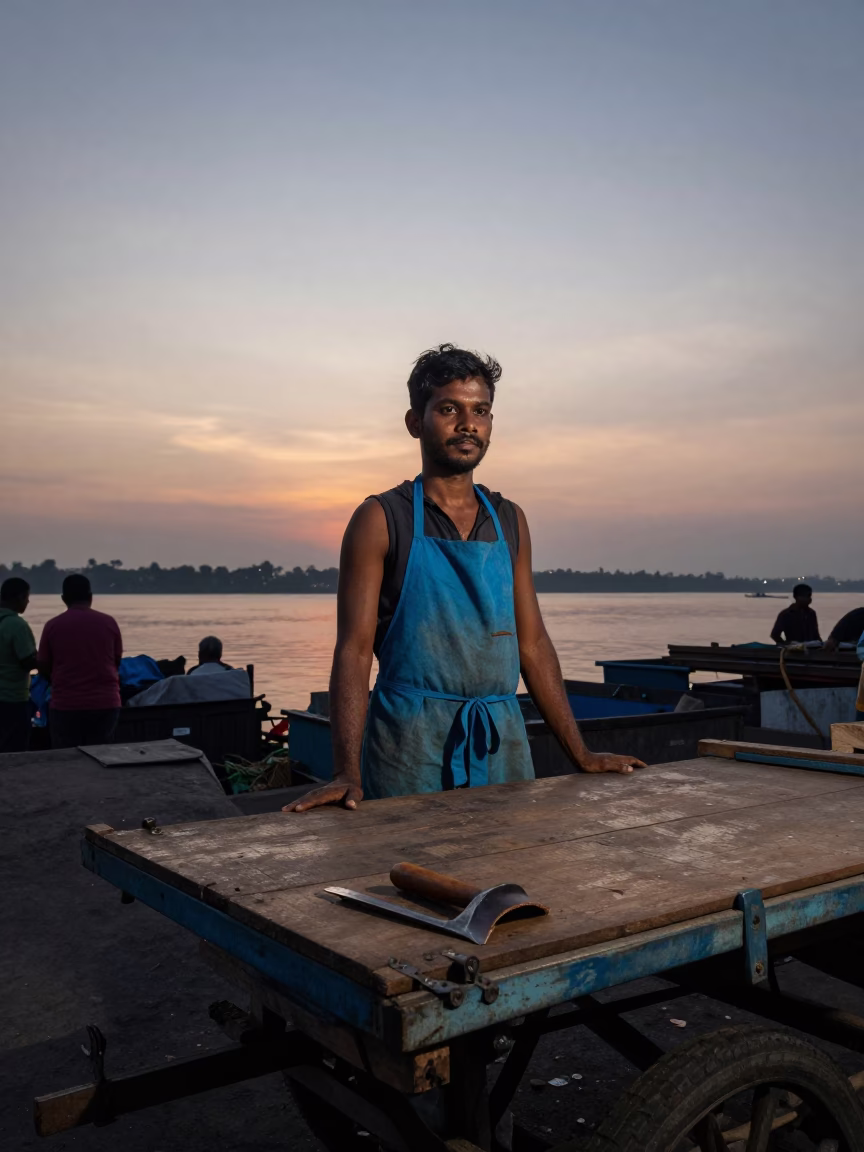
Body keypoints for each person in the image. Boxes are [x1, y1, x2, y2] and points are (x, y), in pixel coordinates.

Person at [286, 343, 645, 814]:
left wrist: (580, 753)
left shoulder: (509, 520)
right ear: (416, 422)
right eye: (449, 409)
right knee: (405, 875)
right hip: (408, 749)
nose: (467, 424)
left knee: (509, 874)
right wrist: (346, 773)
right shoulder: (381, 518)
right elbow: (353, 651)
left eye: (481, 411)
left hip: (502, 746)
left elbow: (532, 645)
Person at [38, 574, 123, 748]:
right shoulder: (109, 622)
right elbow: (116, 661)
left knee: (66, 760)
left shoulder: (52, 625)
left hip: (66, 705)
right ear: (91, 597)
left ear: (63, 599)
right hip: (105, 703)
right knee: (102, 757)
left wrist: (56, 680)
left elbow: (43, 665)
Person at [0, 577, 38, 753]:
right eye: (27, 597)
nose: (28, 602)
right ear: (20, 597)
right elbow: (27, 661)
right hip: (13, 699)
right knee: (15, 750)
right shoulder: (16, 625)